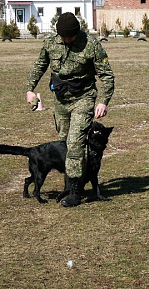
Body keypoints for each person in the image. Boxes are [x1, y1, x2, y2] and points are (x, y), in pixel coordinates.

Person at [26, 12, 115, 207]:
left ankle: (75, 191)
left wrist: (103, 101)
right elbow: (40, 64)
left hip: (83, 98)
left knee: (75, 142)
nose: (67, 40)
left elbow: (107, 75)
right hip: (61, 100)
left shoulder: (91, 45)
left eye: (70, 37)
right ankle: (70, 183)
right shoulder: (51, 43)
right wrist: (30, 88)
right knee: (65, 142)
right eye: (64, 37)